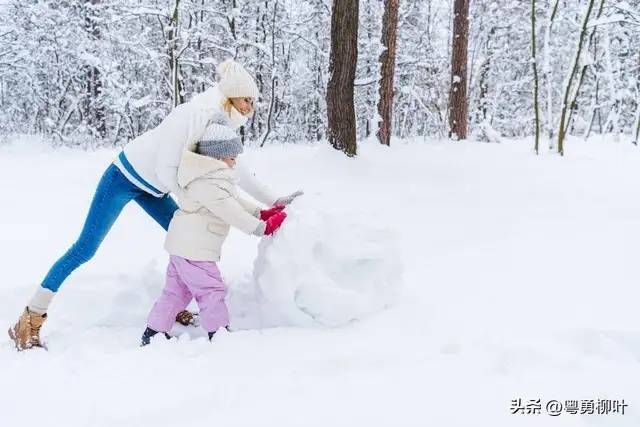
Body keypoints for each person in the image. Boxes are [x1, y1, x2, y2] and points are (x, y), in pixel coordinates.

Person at [8, 59, 301, 351]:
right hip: (123, 177)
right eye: (247, 99)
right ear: (231, 95)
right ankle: (31, 316)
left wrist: (274, 200)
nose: (250, 107)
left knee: (187, 240)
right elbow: (165, 168)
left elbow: (234, 171)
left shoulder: (220, 125)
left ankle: (171, 306)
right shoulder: (191, 114)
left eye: (253, 101)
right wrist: (197, 197)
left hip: (157, 190)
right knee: (85, 248)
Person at [141, 132, 287, 345]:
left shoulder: (211, 178)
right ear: (217, 157)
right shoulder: (207, 184)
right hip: (194, 250)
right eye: (232, 156)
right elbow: (230, 211)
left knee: (176, 292)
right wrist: (261, 228)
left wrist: (260, 213)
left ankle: (154, 331)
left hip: (184, 247)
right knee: (211, 290)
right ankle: (218, 333)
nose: (235, 160)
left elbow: (235, 201)